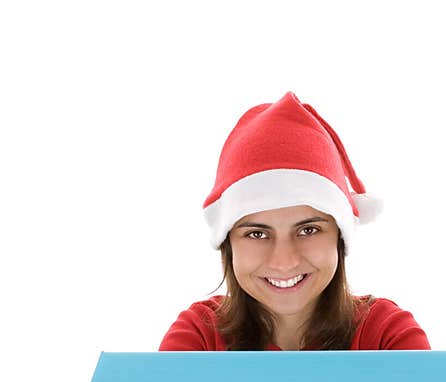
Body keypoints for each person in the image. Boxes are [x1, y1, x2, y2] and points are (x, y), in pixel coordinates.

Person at [158, 91, 431, 352]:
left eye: (308, 230)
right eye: (256, 234)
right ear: (228, 243)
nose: (284, 261)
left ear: (340, 236)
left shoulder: (387, 334)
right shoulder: (198, 337)